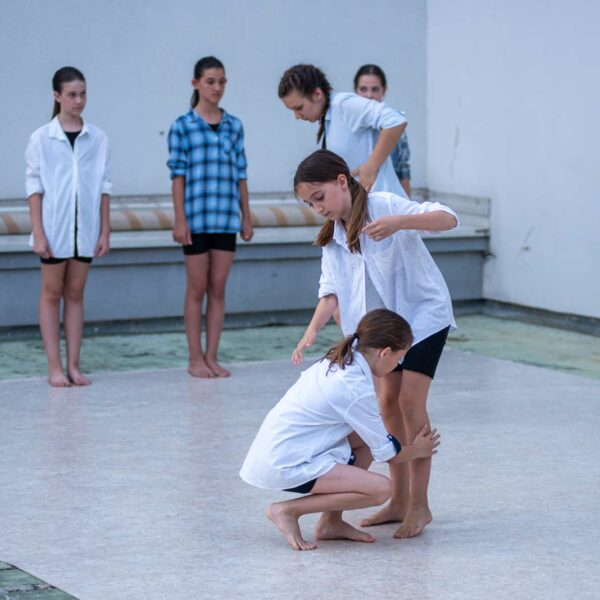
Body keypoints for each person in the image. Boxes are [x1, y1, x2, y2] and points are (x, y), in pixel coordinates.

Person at [292, 150, 458, 539]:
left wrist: (400, 222)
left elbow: (448, 218)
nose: (318, 208)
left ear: (341, 181)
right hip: (382, 332)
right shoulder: (332, 237)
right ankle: (398, 500)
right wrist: (311, 330)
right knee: (385, 405)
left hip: (423, 315)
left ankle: (420, 505)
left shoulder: (384, 204)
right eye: (310, 203)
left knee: (410, 402)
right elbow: (330, 291)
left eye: (319, 197)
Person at [240, 309, 440, 551]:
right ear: (385, 352)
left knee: (364, 439)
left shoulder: (343, 358)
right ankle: (287, 510)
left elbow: (374, 441)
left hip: (280, 452)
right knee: (380, 489)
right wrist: (419, 449)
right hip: (286, 464)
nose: (398, 364)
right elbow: (388, 453)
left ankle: (331, 522)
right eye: (400, 357)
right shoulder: (354, 388)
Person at [167, 56, 253, 379]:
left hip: (226, 218)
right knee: (197, 288)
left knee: (218, 288)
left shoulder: (234, 126)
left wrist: (246, 216)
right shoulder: (182, 126)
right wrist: (180, 219)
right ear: (196, 84)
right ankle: (194, 358)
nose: (217, 88)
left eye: (221, 81)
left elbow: (241, 174)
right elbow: (177, 176)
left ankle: (212, 356)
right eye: (210, 81)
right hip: (195, 219)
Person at [25, 66, 111, 388]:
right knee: (51, 294)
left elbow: (104, 187)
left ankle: (74, 366)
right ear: (57, 96)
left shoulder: (98, 139)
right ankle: (54, 367)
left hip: (85, 230)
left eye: (83, 94)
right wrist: (38, 232)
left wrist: (104, 231)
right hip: (54, 229)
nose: (79, 100)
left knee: (75, 294)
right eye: (72, 95)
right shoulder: (41, 138)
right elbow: (34, 188)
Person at [278, 64, 407, 197]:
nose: (297, 116)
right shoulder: (329, 116)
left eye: (299, 108)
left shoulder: (343, 104)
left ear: (317, 94)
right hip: (366, 205)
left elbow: (396, 120)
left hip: (385, 203)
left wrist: (371, 166)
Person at [354, 64, 412, 198]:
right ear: (355, 90)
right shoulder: (349, 126)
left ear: (384, 90)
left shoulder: (394, 125)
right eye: (363, 89)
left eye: (375, 89)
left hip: (388, 198)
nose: (369, 95)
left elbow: (403, 170)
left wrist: (408, 204)